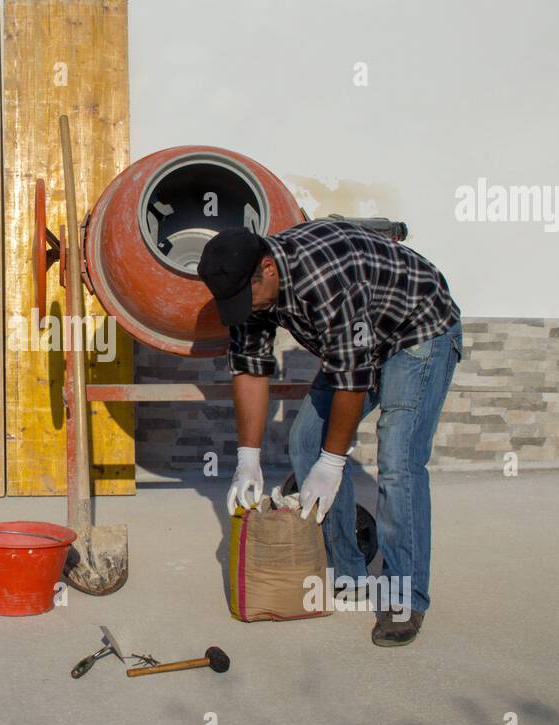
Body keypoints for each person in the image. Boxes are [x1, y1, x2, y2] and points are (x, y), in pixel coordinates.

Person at [198, 220, 462, 646]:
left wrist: (334, 463)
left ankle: (403, 597)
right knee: (305, 442)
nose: (246, 309)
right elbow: (250, 368)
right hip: (364, 340)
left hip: (418, 329)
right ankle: (349, 573)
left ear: (267, 268)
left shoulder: (327, 278)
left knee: (398, 460)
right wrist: (247, 457)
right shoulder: (252, 290)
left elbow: (352, 380)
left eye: (248, 298)